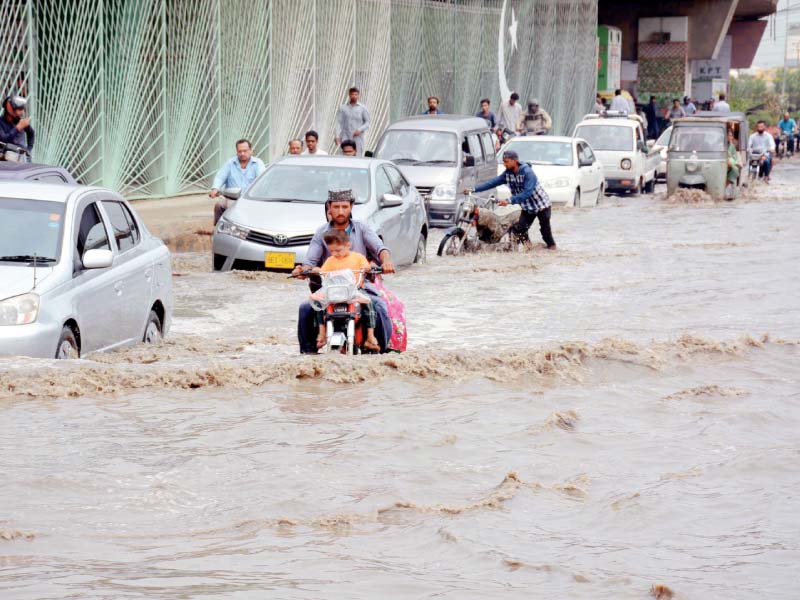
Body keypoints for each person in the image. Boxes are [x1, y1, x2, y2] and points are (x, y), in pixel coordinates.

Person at [292, 189, 395, 354]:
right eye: (336, 207)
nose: (340, 211)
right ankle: (308, 354)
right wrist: (302, 270)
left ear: (351, 207)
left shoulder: (362, 228)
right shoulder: (321, 233)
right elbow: (310, 263)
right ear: (329, 209)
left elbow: (380, 248)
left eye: (345, 207)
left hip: (359, 286)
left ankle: (380, 350)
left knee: (380, 306)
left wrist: (386, 261)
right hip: (330, 288)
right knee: (306, 308)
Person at [310, 228, 380, 351]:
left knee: (369, 303)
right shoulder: (330, 260)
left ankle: (370, 336)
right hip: (334, 291)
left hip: (354, 290)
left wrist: (370, 267)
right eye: (331, 251)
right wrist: (316, 270)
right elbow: (323, 271)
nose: (335, 253)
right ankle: (322, 334)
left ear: (348, 245)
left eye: (338, 250)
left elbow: (366, 267)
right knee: (319, 303)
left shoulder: (358, 257)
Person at [472, 149, 556, 250]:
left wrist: (508, 201)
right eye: (503, 162)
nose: (504, 164)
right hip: (527, 207)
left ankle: (552, 248)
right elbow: (492, 183)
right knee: (520, 229)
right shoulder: (507, 174)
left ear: (514, 161)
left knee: (545, 231)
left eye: (506, 161)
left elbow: (527, 192)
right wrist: (474, 189)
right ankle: (529, 247)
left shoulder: (527, 172)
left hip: (541, 205)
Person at [210, 139, 265, 224]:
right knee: (219, 205)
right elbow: (220, 177)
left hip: (250, 200)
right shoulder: (230, 163)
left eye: (245, 151)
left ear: (251, 151)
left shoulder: (258, 163)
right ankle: (217, 229)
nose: (242, 153)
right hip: (232, 199)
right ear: (236, 152)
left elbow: (261, 181)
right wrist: (215, 188)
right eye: (240, 151)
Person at [335, 86, 370, 156]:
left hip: (357, 138)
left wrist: (359, 130)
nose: (354, 96)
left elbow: (367, 122)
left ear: (358, 95)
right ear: (349, 95)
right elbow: (339, 123)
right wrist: (337, 136)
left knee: (357, 155)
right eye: (352, 94)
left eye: (356, 94)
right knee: (344, 155)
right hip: (345, 137)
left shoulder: (363, 108)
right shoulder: (343, 108)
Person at [725, 128, 741, 199]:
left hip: (731, 164)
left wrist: (736, 162)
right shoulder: (720, 144)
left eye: (731, 136)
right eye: (728, 135)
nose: (729, 137)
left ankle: (726, 187)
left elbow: (734, 157)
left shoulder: (732, 146)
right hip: (721, 163)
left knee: (735, 169)